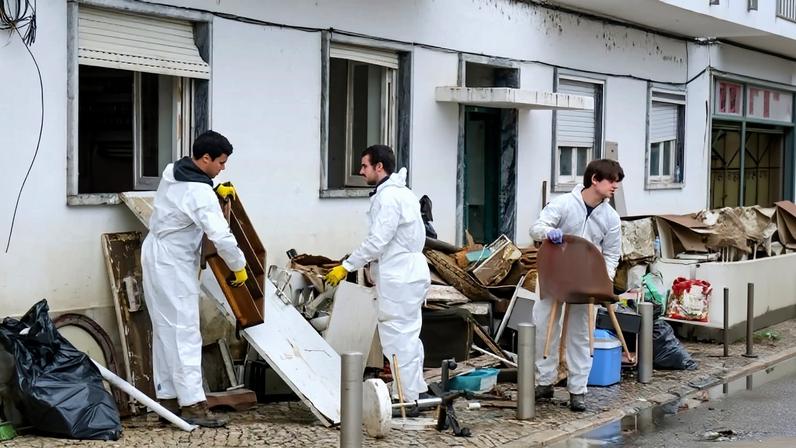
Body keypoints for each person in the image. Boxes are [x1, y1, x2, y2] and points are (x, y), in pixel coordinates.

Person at [141, 130, 247, 428]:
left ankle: (168, 401)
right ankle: (194, 406)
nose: (223, 168)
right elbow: (221, 237)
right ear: (205, 159)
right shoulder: (198, 193)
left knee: (164, 329)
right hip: (173, 262)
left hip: (156, 253)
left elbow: (185, 204)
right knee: (185, 330)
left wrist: (215, 192)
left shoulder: (175, 172)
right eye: (221, 162)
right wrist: (238, 266)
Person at [324, 144, 431, 403]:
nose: (361, 171)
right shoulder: (402, 193)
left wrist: (347, 265)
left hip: (399, 276)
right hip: (410, 273)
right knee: (409, 335)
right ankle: (415, 390)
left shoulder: (388, 198)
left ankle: (406, 397)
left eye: (364, 166)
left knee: (396, 337)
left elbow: (377, 241)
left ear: (379, 167)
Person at [529, 159, 623, 412]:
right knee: (544, 328)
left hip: (586, 280)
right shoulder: (563, 204)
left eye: (617, 182)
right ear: (595, 179)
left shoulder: (610, 217)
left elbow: (613, 253)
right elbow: (536, 228)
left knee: (581, 334)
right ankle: (544, 382)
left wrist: (606, 279)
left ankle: (578, 390)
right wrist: (548, 233)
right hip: (554, 273)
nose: (615, 186)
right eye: (611, 180)